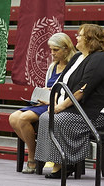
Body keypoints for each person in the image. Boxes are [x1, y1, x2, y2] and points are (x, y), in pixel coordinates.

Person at [33, 23, 104, 178]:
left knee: (59, 119)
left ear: (90, 39)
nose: (77, 38)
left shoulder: (100, 59)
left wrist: (60, 107)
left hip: (99, 113)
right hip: (80, 109)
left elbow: (82, 89)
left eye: (80, 35)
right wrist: (53, 102)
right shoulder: (77, 58)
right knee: (46, 116)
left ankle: (65, 164)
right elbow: (60, 83)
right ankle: (58, 162)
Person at [9, 32, 80, 174]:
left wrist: (50, 98)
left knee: (23, 119)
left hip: (57, 104)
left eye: (56, 50)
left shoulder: (73, 67)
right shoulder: (53, 66)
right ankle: (39, 152)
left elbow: (68, 91)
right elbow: (49, 86)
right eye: (51, 49)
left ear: (66, 49)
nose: (52, 53)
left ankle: (33, 158)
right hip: (45, 101)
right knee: (13, 118)